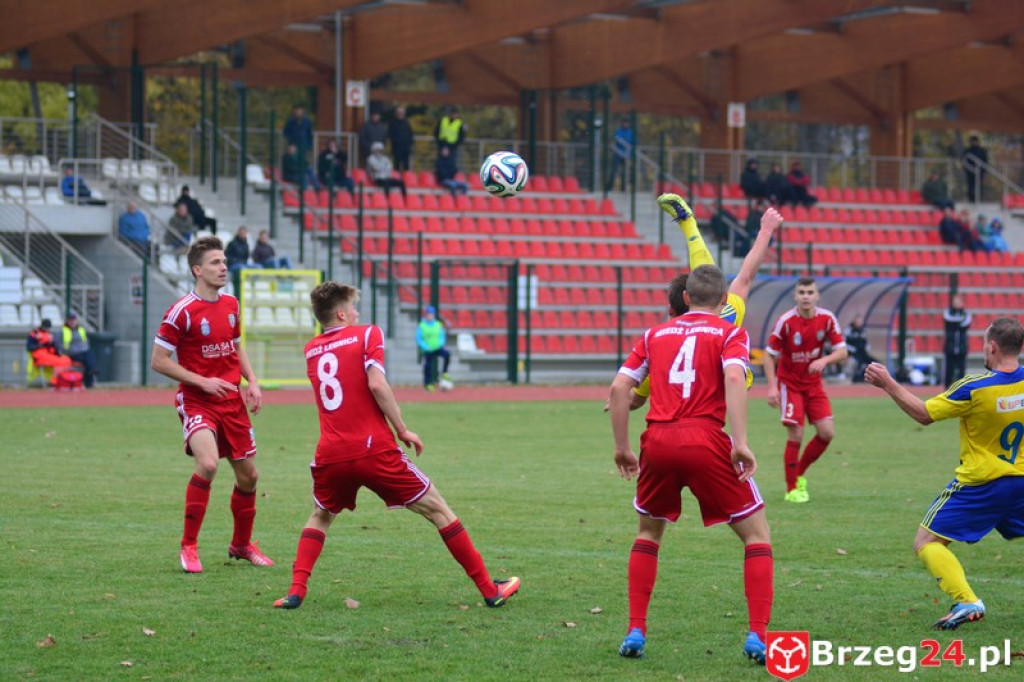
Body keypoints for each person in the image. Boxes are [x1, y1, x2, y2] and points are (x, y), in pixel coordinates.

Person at [273, 282, 520, 610]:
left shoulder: (311, 349)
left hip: (331, 452)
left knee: (320, 515)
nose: (358, 313)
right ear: (342, 313)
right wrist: (402, 429)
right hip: (374, 448)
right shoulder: (367, 334)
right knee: (438, 510)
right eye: (354, 307)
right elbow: (376, 383)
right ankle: (490, 590)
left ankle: (295, 592)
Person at [608, 265, 773, 664]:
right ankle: (757, 636)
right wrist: (741, 442)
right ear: (722, 302)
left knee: (648, 533)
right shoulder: (730, 332)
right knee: (757, 536)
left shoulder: (653, 334)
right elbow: (735, 379)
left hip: (658, 441)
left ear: (685, 298)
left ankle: (635, 629)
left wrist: (622, 447)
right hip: (705, 439)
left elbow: (618, 388)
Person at [864, 317, 1024, 630]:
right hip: (1020, 481)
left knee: (926, 541)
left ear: (991, 347)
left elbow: (924, 414)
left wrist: (888, 384)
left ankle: (966, 600)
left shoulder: (975, 388)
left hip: (982, 484)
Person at [150, 235, 273, 574]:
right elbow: (158, 361)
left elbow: (236, 348)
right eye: (216, 263)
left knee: (250, 477)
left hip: (232, 401)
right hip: (197, 400)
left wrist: (253, 382)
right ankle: (189, 546)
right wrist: (201, 380)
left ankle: (242, 545)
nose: (223, 267)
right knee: (208, 464)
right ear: (197, 270)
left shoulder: (232, 304)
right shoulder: (180, 312)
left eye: (224, 262)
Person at [625, 194, 785, 411]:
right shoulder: (729, 315)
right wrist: (766, 230)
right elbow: (745, 275)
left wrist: (620, 396)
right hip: (709, 429)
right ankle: (688, 223)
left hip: (665, 432)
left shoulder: (660, 341)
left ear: (674, 308)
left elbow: (634, 401)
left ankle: (688, 223)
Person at [763, 277, 848, 503]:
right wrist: (772, 386)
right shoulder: (786, 321)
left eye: (810, 292)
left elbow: (842, 352)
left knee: (827, 432)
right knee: (796, 434)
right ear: (795, 296)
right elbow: (769, 356)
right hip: (790, 384)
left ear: (817, 295)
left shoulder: (827, 319)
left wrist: (825, 360)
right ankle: (792, 489)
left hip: (813, 385)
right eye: (802, 292)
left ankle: (798, 472)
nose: (806, 296)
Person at [56, 312, 97, 388]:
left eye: (74, 320)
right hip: (70, 353)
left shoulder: (81, 330)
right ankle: (90, 377)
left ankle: (91, 373)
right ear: (67, 321)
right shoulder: (62, 331)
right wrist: (65, 351)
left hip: (83, 351)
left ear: (77, 321)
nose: (72, 322)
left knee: (89, 355)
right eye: (70, 320)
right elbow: (58, 343)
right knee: (88, 360)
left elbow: (86, 342)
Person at [417, 305, 451, 391]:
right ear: (426, 315)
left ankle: (444, 372)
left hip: (437, 348)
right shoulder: (422, 325)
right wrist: (425, 346)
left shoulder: (438, 324)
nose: (430, 316)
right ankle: (428, 383)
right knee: (428, 366)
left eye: (431, 314)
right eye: (428, 314)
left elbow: (442, 336)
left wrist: (440, 343)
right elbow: (419, 338)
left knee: (447, 355)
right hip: (428, 350)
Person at [943, 293, 971, 387]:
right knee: (949, 370)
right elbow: (948, 321)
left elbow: (966, 323)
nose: (957, 303)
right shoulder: (948, 312)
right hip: (950, 347)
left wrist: (956, 324)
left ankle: (960, 389)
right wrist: (959, 322)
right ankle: (946, 389)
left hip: (962, 348)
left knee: (961, 371)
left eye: (959, 301)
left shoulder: (966, 314)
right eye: (955, 301)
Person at [844, 313, 878, 382]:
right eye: (858, 320)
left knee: (874, 362)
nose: (859, 322)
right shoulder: (849, 331)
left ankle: (871, 379)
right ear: (854, 321)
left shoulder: (863, 331)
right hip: (853, 354)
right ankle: (848, 376)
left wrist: (867, 348)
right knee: (854, 363)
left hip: (862, 353)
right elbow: (844, 343)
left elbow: (866, 342)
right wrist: (852, 349)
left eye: (860, 321)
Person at [225, 226, 260, 293]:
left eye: (244, 233)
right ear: (238, 233)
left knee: (258, 267)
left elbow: (246, 257)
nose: (243, 234)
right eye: (241, 233)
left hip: (243, 264)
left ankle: (252, 284)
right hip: (234, 265)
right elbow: (227, 256)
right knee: (241, 268)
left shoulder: (246, 244)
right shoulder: (232, 243)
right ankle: (239, 293)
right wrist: (236, 261)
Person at [605, 119, 633, 192]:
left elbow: (630, 142)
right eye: (624, 123)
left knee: (625, 172)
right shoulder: (618, 131)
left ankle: (623, 189)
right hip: (617, 154)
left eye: (626, 123)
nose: (625, 125)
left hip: (626, 154)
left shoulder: (630, 132)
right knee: (614, 171)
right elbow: (617, 140)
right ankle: (609, 188)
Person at [962, 135, 988, 203]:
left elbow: (985, 162)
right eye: (972, 141)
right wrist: (965, 170)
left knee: (979, 187)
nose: (974, 143)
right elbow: (964, 161)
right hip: (970, 172)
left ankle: (979, 200)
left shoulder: (982, 151)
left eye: (975, 141)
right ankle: (971, 199)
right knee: (970, 186)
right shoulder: (967, 151)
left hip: (980, 172)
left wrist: (984, 172)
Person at [389, 106, 414, 172]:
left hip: (406, 148)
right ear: (396, 113)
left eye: (402, 112)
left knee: (406, 166)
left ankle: (406, 180)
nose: (401, 114)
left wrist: (410, 145)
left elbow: (410, 134)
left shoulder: (407, 123)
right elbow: (391, 135)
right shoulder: (392, 123)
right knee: (396, 166)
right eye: (399, 112)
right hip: (397, 148)